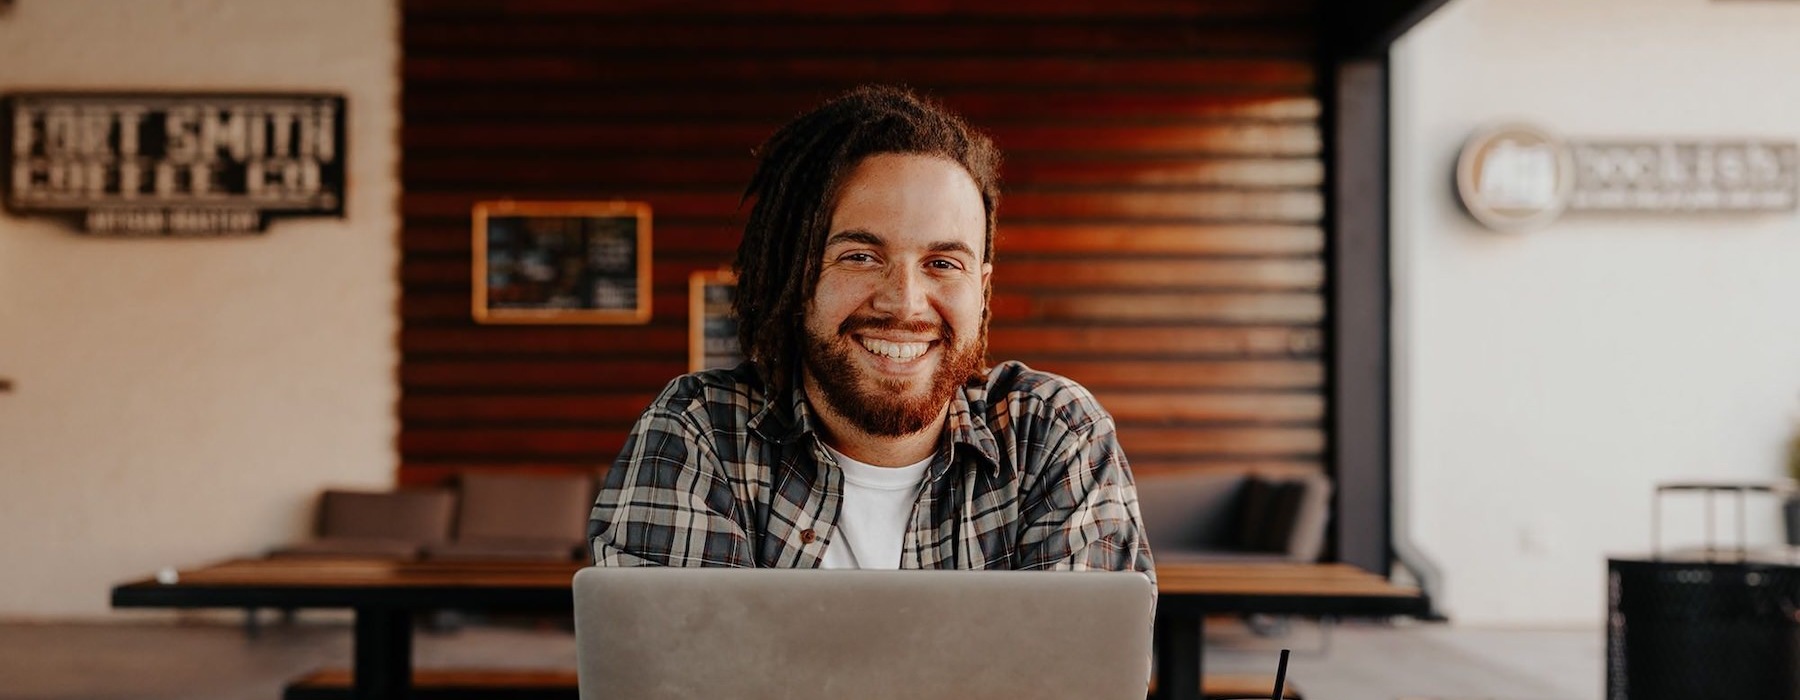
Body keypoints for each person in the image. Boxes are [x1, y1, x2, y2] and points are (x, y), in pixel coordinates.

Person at [587, 85, 1153, 580]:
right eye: (860, 255)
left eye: (942, 263)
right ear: (795, 271)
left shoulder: (1053, 436)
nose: (903, 302)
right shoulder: (700, 435)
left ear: (982, 290)